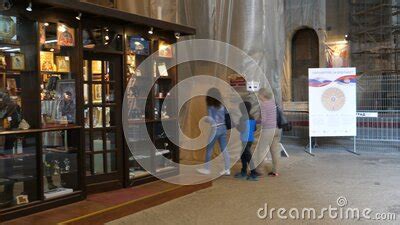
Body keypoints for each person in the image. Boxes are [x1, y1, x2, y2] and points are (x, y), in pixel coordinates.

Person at [197, 88, 231, 176]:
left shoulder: (210, 106)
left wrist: (204, 120)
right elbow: (227, 115)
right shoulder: (222, 105)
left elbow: (211, 119)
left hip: (215, 129)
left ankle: (207, 169)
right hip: (223, 128)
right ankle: (227, 169)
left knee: (209, 149)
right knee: (224, 149)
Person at [255, 88, 281, 177]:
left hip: (267, 130)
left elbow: (264, 120)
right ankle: (275, 171)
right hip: (276, 129)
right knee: (275, 151)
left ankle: (259, 171)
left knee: (260, 150)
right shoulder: (273, 103)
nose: (258, 96)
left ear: (262, 95)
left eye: (259, 94)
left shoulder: (263, 104)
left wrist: (256, 121)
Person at [235, 101, 258, 181]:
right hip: (250, 139)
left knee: (248, 156)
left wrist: (236, 125)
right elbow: (255, 129)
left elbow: (242, 129)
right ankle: (243, 171)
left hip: (245, 139)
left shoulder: (243, 118)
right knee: (243, 155)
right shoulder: (252, 117)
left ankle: (254, 173)